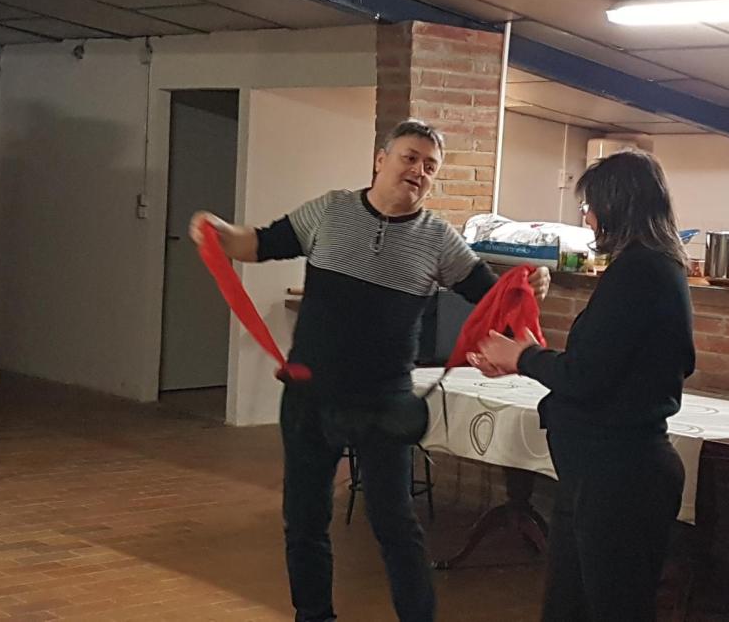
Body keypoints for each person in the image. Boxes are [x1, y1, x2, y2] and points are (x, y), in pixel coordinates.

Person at [190, 119, 549, 622]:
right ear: (381, 160)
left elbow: (496, 298)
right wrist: (218, 231)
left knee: (396, 526)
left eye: (430, 166)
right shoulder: (331, 210)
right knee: (304, 522)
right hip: (310, 396)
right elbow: (259, 243)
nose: (419, 171)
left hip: (385, 404)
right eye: (410, 157)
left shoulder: (439, 240)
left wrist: (530, 286)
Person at [471, 150, 694, 621]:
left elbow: (587, 376)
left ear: (617, 205)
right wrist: (526, 359)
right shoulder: (654, 267)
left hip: (618, 477)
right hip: (599, 474)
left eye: (590, 205)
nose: (588, 218)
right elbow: (608, 365)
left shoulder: (642, 272)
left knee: (612, 609)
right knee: (568, 607)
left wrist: (524, 357)